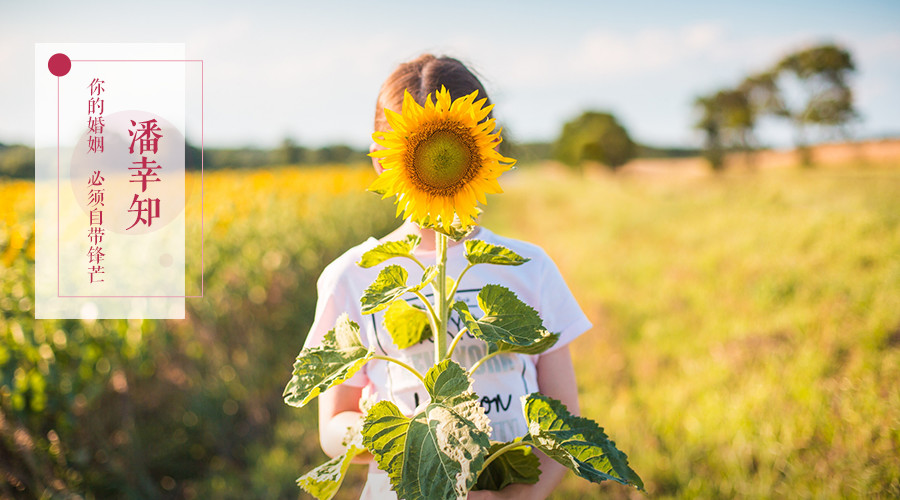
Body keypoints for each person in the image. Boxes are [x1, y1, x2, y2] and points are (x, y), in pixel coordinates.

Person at [305, 54, 592, 500]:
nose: (441, 161)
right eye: (418, 147)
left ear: (487, 148)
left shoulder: (529, 268)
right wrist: (402, 438)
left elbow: (564, 424)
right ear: (383, 159)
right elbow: (333, 426)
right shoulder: (354, 275)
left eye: (453, 147)